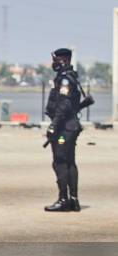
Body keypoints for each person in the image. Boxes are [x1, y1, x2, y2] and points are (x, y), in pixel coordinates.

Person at [44, 48, 82, 212]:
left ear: (64, 60)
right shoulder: (70, 77)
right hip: (70, 126)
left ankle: (63, 199)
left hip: (64, 129)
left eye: (57, 60)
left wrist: (54, 125)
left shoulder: (65, 80)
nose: (54, 63)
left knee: (60, 162)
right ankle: (73, 200)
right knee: (69, 162)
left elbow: (65, 104)